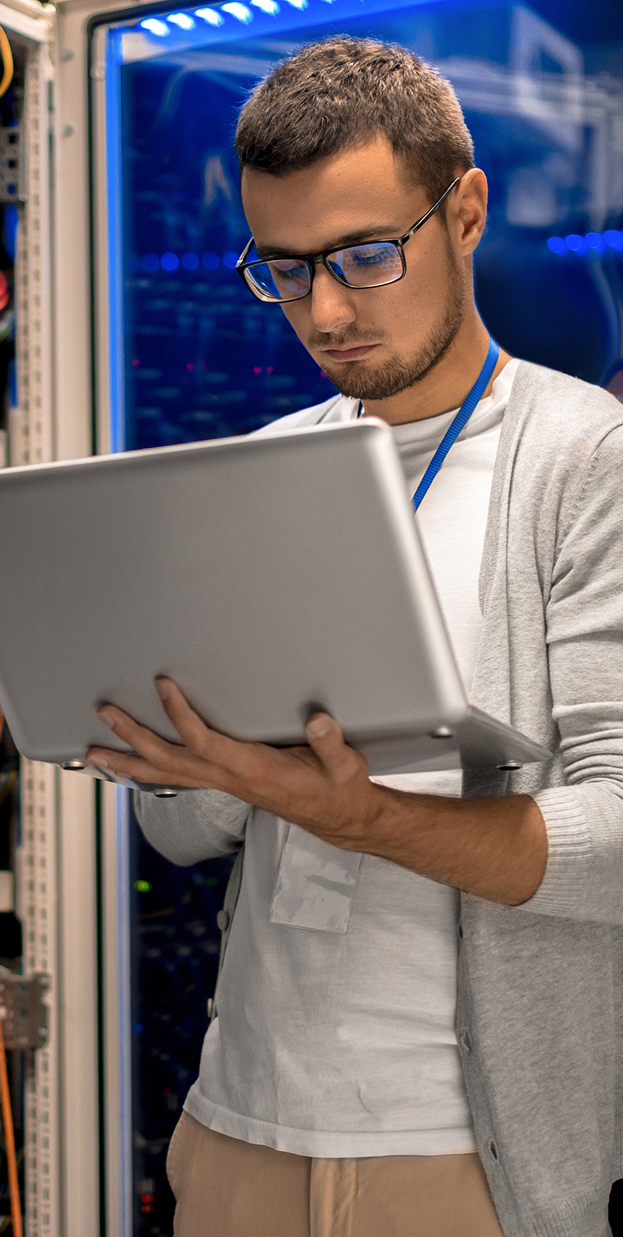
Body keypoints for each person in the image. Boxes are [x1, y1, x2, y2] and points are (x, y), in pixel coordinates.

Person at [87, 36, 623, 1237]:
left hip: (462, 1160)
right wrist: (181, 755)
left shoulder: (585, 459)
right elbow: (179, 836)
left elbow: (620, 839)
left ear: (467, 209)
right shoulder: (267, 471)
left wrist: (358, 811)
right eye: (284, 272)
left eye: (367, 256)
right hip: (240, 1131)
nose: (325, 311)